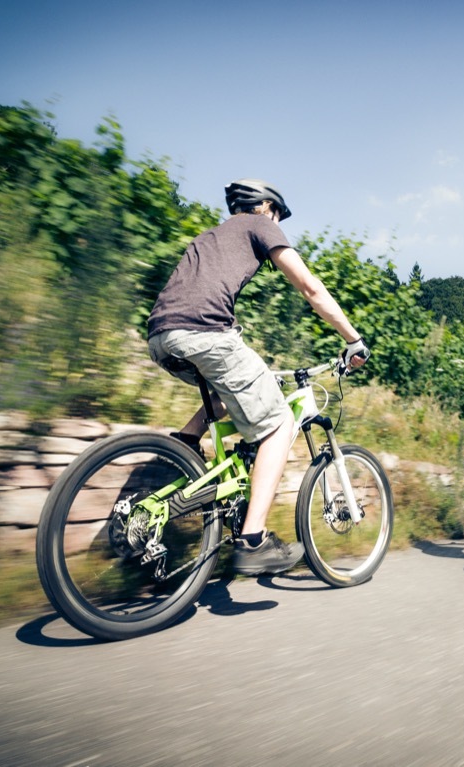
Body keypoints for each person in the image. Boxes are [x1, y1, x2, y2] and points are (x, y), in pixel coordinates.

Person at [146, 179, 369, 575]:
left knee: (226, 385)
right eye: (278, 215)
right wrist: (353, 340)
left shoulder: (211, 236)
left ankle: (184, 444)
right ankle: (253, 540)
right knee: (279, 423)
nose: (278, 223)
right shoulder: (261, 224)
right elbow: (310, 288)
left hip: (162, 336)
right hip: (204, 333)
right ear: (265, 206)